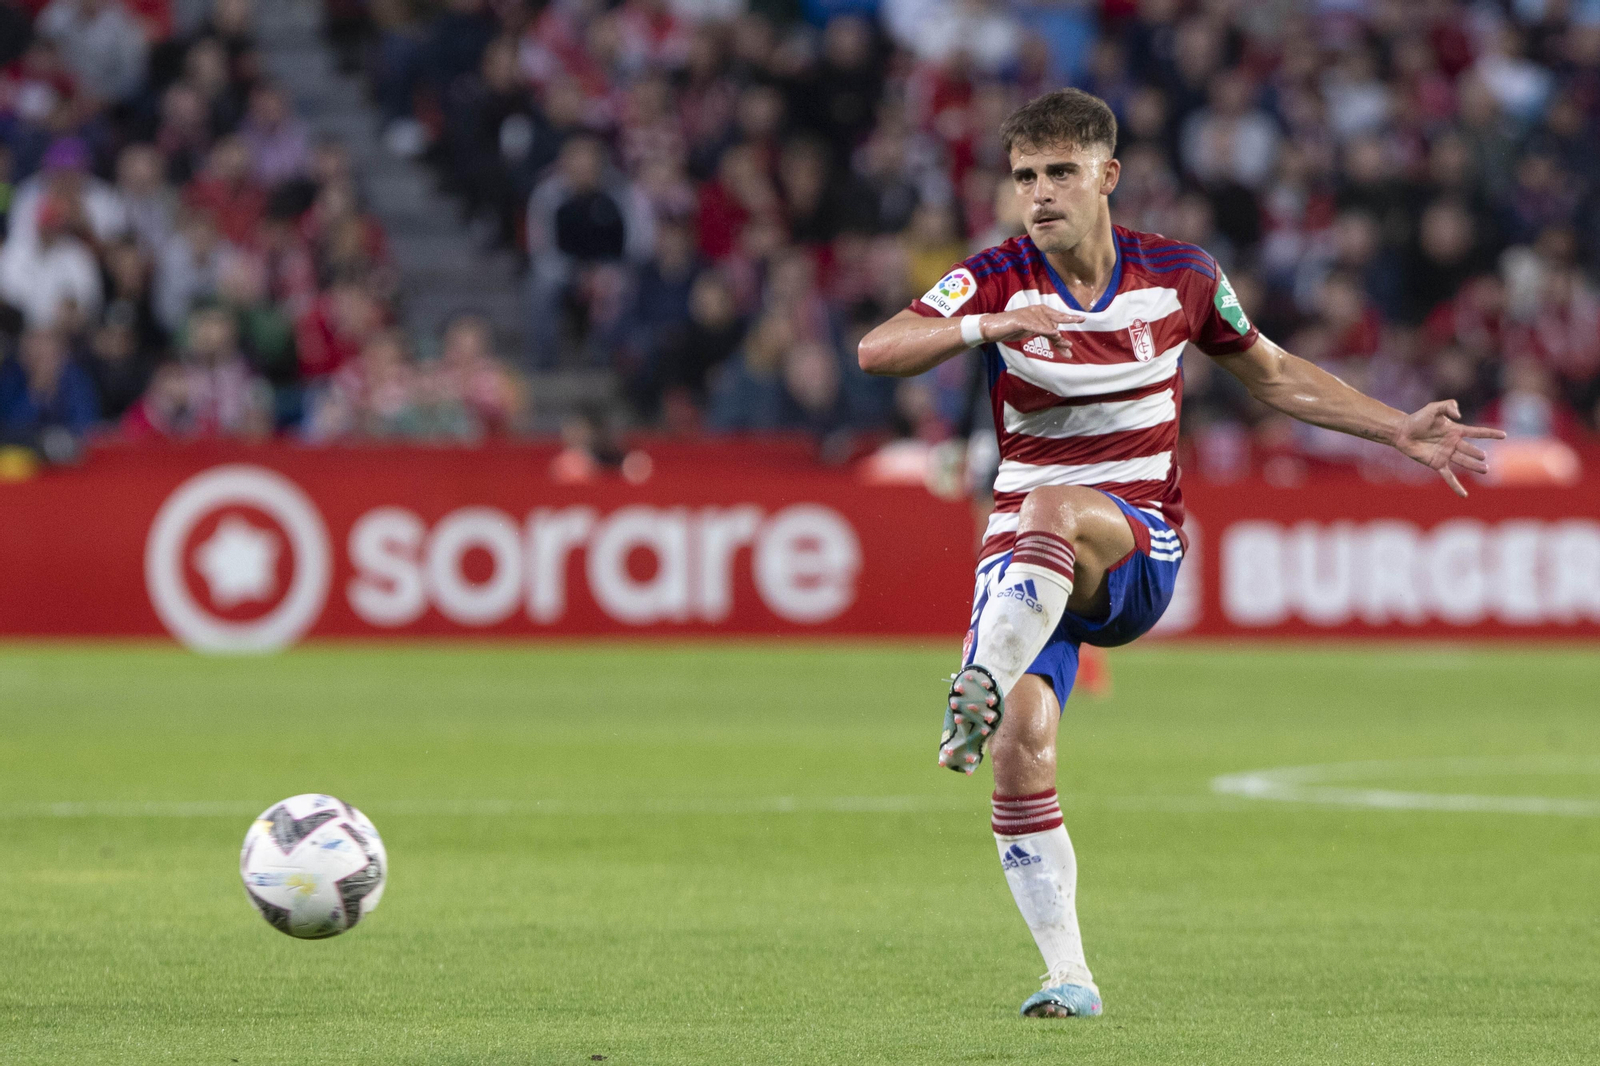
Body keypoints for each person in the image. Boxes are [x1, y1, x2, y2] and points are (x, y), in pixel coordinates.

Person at [856, 88, 1505, 1021]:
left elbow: (1274, 374)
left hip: (1133, 545)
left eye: (1060, 173)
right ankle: (1068, 975)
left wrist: (1395, 428)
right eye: (1025, 177)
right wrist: (979, 329)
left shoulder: (1182, 277)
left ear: (1106, 176)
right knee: (1023, 751)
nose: (1040, 194)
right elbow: (880, 349)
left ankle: (974, 683)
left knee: (1053, 504)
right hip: (1026, 564)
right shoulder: (997, 279)